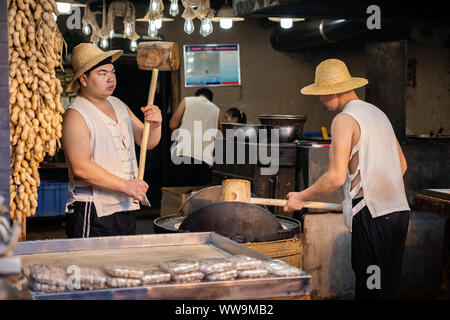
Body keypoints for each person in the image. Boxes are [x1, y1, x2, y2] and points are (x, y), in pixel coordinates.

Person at [284, 59, 410, 300]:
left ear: (333, 90)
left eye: (321, 94)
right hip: (399, 212)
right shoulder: (378, 113)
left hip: (372, 216)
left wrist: (300, 196)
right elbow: (401, 165)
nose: (320, 99)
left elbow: (336, 176)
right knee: (388, 289)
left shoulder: (344, 120)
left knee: (371, 291)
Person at [62, 43, 162, 238]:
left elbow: (147, 141)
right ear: (83, 79)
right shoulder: (76, 114)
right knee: (92, 267)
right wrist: (126, 186)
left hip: (125, 206)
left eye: (112, 72)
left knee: (122, 265)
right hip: (93, 210)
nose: (111, 78)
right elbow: (80, 167)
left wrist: (156, 124)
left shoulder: (118, 104)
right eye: (102, 73)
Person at [168, 88, 220, 185]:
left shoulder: (187, 101)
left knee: (179, 190)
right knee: (197, 194)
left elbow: (172, 124)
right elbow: (220, 135)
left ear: (197, 95)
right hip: (204, 158)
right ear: (210, 99)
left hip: (184, 153)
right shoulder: (216, 109)